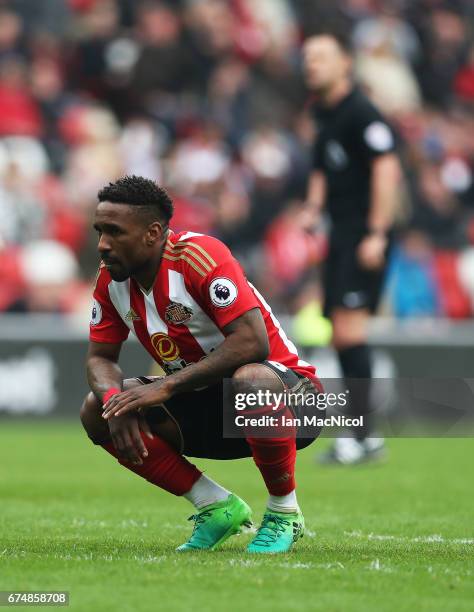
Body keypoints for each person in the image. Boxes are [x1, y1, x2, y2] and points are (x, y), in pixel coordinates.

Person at [80, 175, 322, 553]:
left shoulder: (197, 256)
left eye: (114, 232)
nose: (103, 245)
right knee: (98, 410)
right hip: (206, 405)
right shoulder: (111, 280)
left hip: (293, 401)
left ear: (153, 232)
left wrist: (166, 386)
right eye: (99, 231)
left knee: (252, 379)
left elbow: (252, 342)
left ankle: (284, 512)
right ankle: (215, 506)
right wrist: (115, 400)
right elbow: (100, 358)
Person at [303, 31, 401, 464]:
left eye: (322, 57)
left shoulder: (361, 112)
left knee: (348, 332)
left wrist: (377, 232)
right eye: (308, 58)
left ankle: (363, 436)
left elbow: (387, 168)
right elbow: (322, 168)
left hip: (363, 233)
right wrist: (312, 208)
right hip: (340, 234)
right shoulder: (323, 114)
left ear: (345, 63)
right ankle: (363, 436)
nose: (312, 65)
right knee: (340, 334)